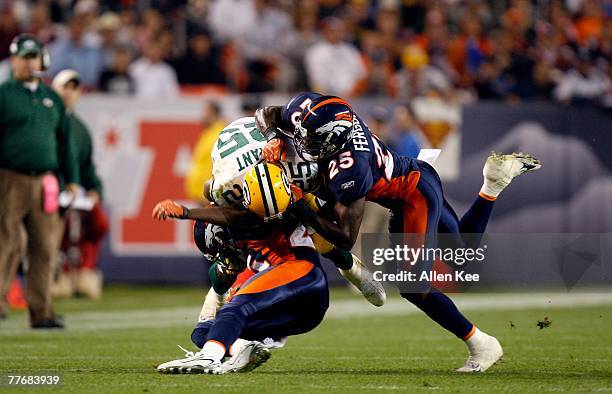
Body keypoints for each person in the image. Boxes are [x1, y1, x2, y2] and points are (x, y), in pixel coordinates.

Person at [281, 95, 541, 372]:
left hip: (412, 197)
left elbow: (346, 237)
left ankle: (480, 344)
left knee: (413, 286)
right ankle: (493, 184)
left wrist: (303, 210)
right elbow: (271, 115)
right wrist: (272, 135)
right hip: (417, 177)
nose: (305, 143)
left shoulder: (352, 166)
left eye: (314, 139)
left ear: (336, 137)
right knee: (461, 254)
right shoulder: (320, 117)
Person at [152, 162, 329, 374]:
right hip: (303, 308)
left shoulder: (254, 214)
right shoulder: (246, 246)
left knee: (234, 309)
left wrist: (186, 212)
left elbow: (236, 218)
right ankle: (240, 351)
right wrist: (215, 297)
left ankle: (209, 357)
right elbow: (215, 298)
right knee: (204, 333)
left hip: (300, 272)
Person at [0, 34, 80, 328]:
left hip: (45, 180)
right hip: (10, 178)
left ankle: (41, 311)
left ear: (41, 61)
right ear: (14, 59)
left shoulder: (52, 98)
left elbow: (64, 142)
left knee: (45, 248)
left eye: (32, 56)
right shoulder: (4, 93)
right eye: (23, 56)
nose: (27, 62)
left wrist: (71, 178)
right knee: (5, 243)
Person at [51, 69, 109, 299]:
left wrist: (95, 189)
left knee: (99, 224)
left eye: (73, 87)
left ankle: (85, 270)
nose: (68, 92)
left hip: (72, 195)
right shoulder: (48, 119)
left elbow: (87, 168)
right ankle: (54, 274)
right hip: (48, 191)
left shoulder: (80, 129)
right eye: (64, 86)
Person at [184, 101, 226, 204]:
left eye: (206, 112)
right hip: (202, 194)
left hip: (210, 195)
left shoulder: (219, 134)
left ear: (214, 114)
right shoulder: (208, 133)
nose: (203, 116)